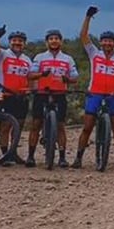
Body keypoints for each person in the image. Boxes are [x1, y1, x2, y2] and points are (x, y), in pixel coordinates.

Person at [73, 6, 114, 169]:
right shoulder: (94, 53)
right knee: (87, 127)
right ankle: (78, 158)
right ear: (101, 42)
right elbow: (83, 36)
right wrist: (88, 17)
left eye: (110, 41)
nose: (107, 43)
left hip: (112, 95)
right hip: (95, 94)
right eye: (105, 40)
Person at [26, 27, 79, 167]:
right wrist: (41, 75)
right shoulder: (40, 57)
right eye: (51, 39)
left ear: (61, 41)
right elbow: (30, 75)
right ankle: (30, 156)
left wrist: (67, 79)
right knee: (36, 125)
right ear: (46, 42)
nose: (54, 41)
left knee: (60, 126)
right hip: (42, 93)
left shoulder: (68, 59)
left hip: (59, 94)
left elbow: (75, 77)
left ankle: (62, 157)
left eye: (56, 39)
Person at [0, 25, 32, 165]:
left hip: (21, 96)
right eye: (14, 40)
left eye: (20, 41)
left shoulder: (27, 60)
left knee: (18, 126)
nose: (17, 43)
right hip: (4, 94)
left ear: (24, 43)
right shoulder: (3, 54)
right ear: (9, 42)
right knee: (5, 126)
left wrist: (30, 89)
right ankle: (4, 154)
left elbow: (30, 77)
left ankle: (13, 153)